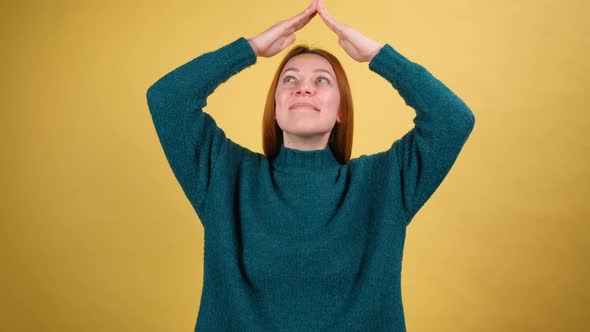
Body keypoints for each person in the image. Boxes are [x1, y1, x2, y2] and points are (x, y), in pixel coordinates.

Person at [146, 0, 475, 331]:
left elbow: (452, 119)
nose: (303, 87)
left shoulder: (384, 182)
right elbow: (168, 101)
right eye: (289, 79)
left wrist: (377, 56)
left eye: (322, 81)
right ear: (274, 108)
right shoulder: (226, 174)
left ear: (340, 110)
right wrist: (251, 48)